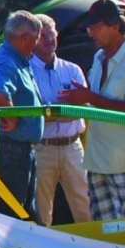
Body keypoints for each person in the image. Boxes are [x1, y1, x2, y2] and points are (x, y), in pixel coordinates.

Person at [61, 0, 125, 220]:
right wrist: (80, 100)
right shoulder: (98, 56)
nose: (90, 33)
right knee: (105, 236)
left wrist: (88, 96)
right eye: (89, 27)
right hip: (98, 161)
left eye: (95, 27)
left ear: (116, 26)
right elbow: (96, 101)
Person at [0, 11, 43, 220]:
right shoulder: (6, 61)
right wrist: (12, 116)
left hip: (15, 148)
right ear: (24, 38)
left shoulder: (15, 58)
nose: (38, 43)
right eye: (36, 38)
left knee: (24, 211)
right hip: (9, 150)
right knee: (13, 214)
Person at [29, 14, 91, 225]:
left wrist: (49, 113)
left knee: (84, 205)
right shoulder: (26, 72)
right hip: (41, 148)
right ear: (33, 40)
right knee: (41, 208)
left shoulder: (72, 70)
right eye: (42, 35)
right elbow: (29, 114)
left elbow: (84, 109)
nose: (49, 39)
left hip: (72, 147)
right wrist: (62, 113)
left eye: (52, 33)